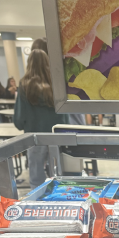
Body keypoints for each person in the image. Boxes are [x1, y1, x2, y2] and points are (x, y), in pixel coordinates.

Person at [14, 49, 69, 189]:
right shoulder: (57, 85)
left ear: (29, 63)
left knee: (36, 179)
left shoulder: (24, 85)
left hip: (35, 137)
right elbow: (65, 115)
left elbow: (19, 120)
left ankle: (37, 204)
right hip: (57, 137)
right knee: (59, 177)